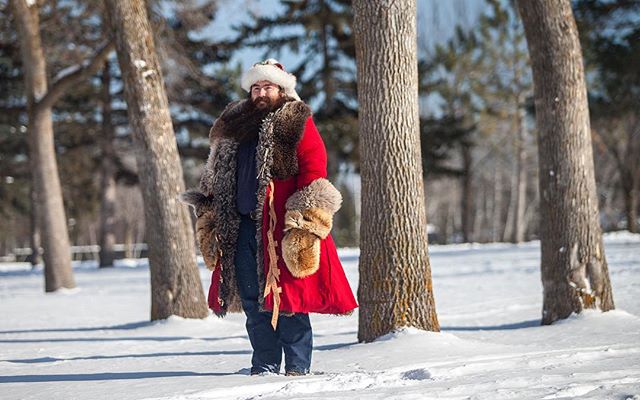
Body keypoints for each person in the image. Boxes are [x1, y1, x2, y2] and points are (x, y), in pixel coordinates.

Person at [180, 59, 358, 376]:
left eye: (268, 86)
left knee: (288, 299)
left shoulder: (295, 121)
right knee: (252, 300)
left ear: (281, 89)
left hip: (279, 227)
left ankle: (298, 365)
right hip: (242, 225)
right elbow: (213, 173)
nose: (261, 92)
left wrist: (305, 221)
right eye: (256, 87)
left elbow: (314, 171)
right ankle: (264, 363)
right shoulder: (233, 125)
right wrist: (208, 212)